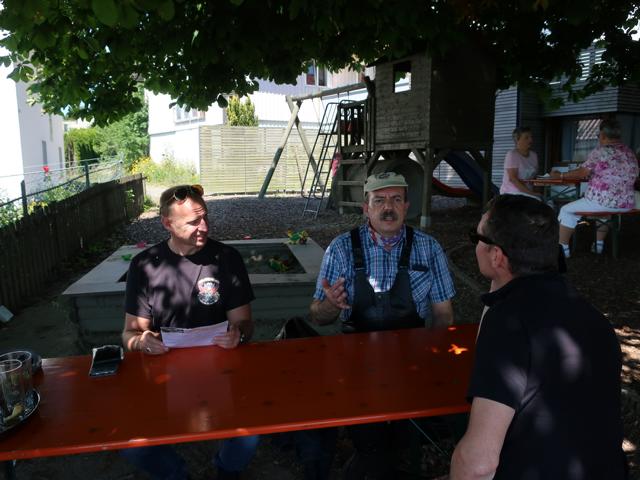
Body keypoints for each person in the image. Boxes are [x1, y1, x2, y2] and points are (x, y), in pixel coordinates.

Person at [448, 194, 626, 479]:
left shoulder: (508, 323)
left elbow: (478, 463)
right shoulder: (592, 317)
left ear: (496, 256)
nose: (475, 245)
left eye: (476, 237)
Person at [309, 171, 456, 479]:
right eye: (379, 200)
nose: (388, 207)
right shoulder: (341, 248)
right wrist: (330, 304)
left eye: (396, 199)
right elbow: (318, 316)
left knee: (403, 435)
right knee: (372, 441)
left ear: (406, 206)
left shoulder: (429, 248)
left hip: (412, 362)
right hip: (355, 365)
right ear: (366, 208)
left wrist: (435, 362)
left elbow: (443, 316)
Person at [121, 184, 259, 480]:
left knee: (249, 436)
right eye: (194, 221)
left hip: (222, 367)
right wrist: (142, 342)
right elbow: (129, 334)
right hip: (164, 373)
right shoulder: (145, 265)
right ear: (167, 223)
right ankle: (176, 474)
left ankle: (227, 469)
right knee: (134, 448)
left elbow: (245, 323)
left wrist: (239, 334)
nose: (205, 226)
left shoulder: (226, 258)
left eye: (205, 217)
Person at [552, 118, 638, 257]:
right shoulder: (629, 152)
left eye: (598, 135)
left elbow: (582, 172)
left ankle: (563, 250)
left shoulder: (600, 151)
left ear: (602, 135)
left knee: (566, 210)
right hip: (626, 203)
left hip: (602, 201)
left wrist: (560, 175)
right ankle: (598, 246)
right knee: (604, 213)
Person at [499, 126, 542, 200]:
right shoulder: (512, 155)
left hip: (528, 192)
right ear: (517, 140)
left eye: (531, 137)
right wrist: (531, 193)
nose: (531, 140)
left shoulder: (534, 155)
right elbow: (513, 179)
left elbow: (534, 178)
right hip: (512, 192)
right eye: (526, 138)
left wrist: (537, 192)